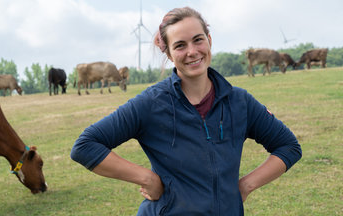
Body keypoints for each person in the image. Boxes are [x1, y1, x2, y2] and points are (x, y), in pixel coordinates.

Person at [70, 7, 302, 215]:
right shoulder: (151, 103)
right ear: (169, 54)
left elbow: (288, 146)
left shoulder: (239, 101)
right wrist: (147, 178)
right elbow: (85, 146)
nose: (192, 51)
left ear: (209, 40)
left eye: (198, 40)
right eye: (180, 45)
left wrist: (245, 186)